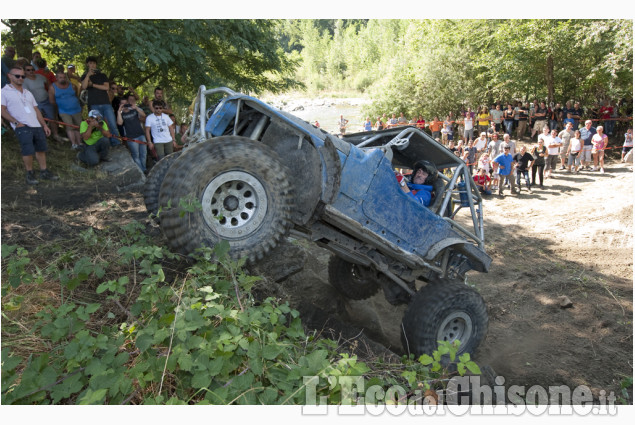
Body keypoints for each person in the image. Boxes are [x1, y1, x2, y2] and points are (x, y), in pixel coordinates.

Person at [1, 66, 59, 184]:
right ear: (10, 76)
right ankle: (30, 174)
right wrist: (16, 122)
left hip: (36, 124)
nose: (20, 78)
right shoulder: (4, 92)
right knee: (27, 150)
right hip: (22, 126)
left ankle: (44, 171)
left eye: (23, 76)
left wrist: (44, 125)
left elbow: (36, 110)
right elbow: (2, 110)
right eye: (17, 76)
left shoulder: (27, 92)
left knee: (41, 149)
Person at [81, 56, 120, 146]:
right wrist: (88, 75)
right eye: (90, 63)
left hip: (106, 103)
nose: (92, 65)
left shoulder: (102, 75)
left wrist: (93, 85)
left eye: (94, 63)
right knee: (99, 124)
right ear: (87, 64)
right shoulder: (84, 76)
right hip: (93, 104)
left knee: (112, 123)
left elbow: (106, 87)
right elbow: (84, 86)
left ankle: (116, 143)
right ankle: (104, 143)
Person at [22, 63, 62, 142]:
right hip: (35, 103)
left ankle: (55, 135)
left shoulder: (40, 77)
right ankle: (41, 136)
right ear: (25, 71)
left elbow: (49, 84)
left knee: (52, 118)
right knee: (38, 120)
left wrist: (51, 92)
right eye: (28, 70)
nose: (31, 71)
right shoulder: (24, 81)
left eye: (32, 69)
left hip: (46, 100)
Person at [49, 68, 82, 150]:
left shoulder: (72, 85)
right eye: (60, 77)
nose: (62, 79)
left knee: (78, 126)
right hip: (64, 111)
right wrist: (60, 106)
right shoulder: (52, 87)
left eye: (64, 77)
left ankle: (79, 143)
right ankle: (73, 144)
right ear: (56, 78)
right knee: (69, 126)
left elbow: (77, 95)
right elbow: (52, 101)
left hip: (76, 109)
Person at [117, 93, 148, 173]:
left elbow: (144, 115)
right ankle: (141, 171)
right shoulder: (121, 114)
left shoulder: (134, 109)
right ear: (120, 105)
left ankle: (143, 169)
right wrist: (119, 111)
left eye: (126, 103)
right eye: (122, 104)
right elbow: (120, 123)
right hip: (131, 137)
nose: (125, 106)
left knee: (143, 153)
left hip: (140, 134)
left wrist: (136, 108)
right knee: (135, 155)